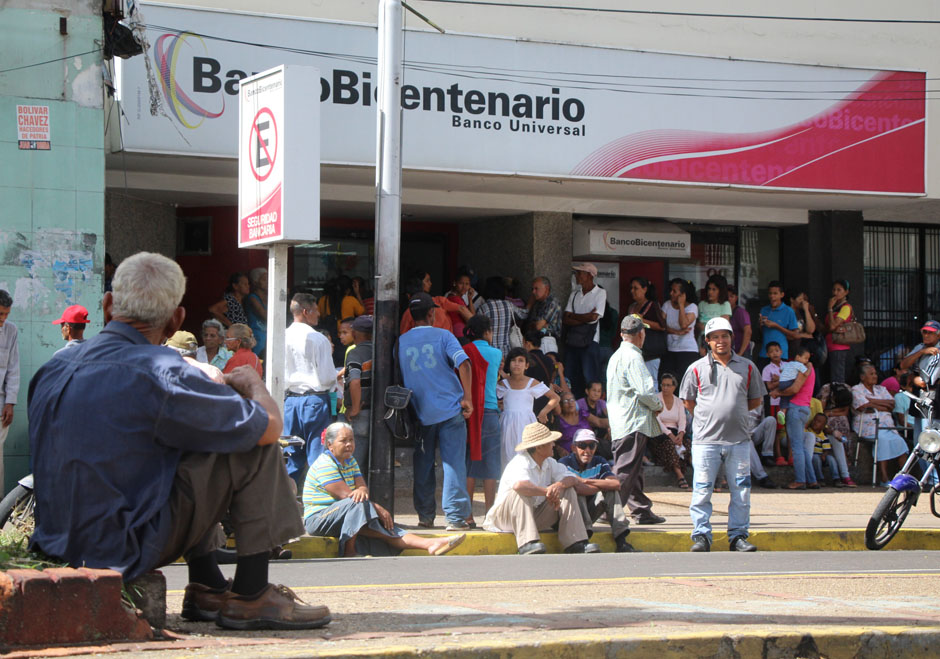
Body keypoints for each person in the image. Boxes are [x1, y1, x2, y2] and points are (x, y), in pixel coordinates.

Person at [27, 252, 330, 630]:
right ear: (176, 320)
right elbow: (268, 426)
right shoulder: (165, 372)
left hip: (57, 539)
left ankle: (208, 585)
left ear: (107, 306)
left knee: (196, 438)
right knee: (253, 440)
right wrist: (252, 384)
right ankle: (253, 594)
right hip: (125, 544)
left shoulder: (53, 367)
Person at [303, 423, 465, 557]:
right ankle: (349, 551)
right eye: (343, 441)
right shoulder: (325, 464)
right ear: (330, 445)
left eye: (351, 440)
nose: (349, 445)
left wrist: (364, 493)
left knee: (384, 526)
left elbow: (362, 488)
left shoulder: (350, 460)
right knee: (357, 504)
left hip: (347, 513)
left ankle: (430, 544)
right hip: (319, 518)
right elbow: (347, 496)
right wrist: (378, 508)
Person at [680, 317, 765, 553]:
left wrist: (731, 413)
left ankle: (738, 536)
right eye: (715, 337)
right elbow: (688, 401)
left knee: (741, 490)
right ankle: (701, 536)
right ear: (707, 341)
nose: (720, 341)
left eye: (724, 336)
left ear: (732, 338)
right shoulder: (695, 368)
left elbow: (756, 400)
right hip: (706, 441)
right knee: (702, 489)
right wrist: (712, 416)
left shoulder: (748, 367)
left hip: (738, 441)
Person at [398, 293, 474, 531]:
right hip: (450, 409)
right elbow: (464, 363)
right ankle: (454, 518)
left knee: (423, 464)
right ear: (432, 313)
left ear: (411, 317)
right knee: (453, 463)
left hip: (420, 412)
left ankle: (425, 516)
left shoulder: (400, 342)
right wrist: (468, 398)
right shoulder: (444, 335)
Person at [482, 422, 599, 555]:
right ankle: (527, 543)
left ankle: (576, 542)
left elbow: (572, 479)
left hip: (533, 516)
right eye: (550, 442)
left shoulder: (549, 463)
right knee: (521, 492)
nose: (554, 445)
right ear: (539, 447)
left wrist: (558, 486)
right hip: (505, 519)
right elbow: (520, 485)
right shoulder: (520, 462)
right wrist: (548, 492)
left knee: (568, 489)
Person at [606, 314, 666, 525]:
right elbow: (645, 391)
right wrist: (658, 406)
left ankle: (641, 510)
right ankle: (607, 511)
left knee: (633, 468)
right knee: (625, 470)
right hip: (632, 421)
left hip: (621, 420)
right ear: (641, 334)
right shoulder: (633, 357)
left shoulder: (617, 356)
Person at [284, 293, 337, 486]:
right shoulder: (317, 339)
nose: (318, 315)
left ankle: (286, 500)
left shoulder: (281, 336)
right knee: (317, 454)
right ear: (306, 312)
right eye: (316, 311)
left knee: (290, 454)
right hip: (315, 400)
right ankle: (316, 502)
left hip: (290, 401)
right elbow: (327, 377)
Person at [559, 429, 635, 552]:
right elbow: (578, 489)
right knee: (576, 493)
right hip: (571, 517)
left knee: (611, 492)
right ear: (573, 448)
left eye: (592, 446)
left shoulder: (599, 461)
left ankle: (621, 541)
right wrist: (601, 485)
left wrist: (584, 481)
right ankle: (584, 540)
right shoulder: (564, 462)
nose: (587, 450)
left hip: (591, 510)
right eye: (582, 446)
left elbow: (615, 484)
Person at [462, 314, 503, 523]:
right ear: (488, 332)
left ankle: (468, 515)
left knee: (469, 465)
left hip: (468, 413)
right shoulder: (496, 353)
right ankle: (489, 513)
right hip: (490, 412)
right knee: (491, 467)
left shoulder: (464, 351)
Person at [497, 346, 559, 469]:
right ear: (508, 364)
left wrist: (544, 412)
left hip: (526, 424)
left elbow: (555, 397)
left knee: (527, 454)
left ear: (526, 365)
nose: (517, 364)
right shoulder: (503, 384)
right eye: (513, 360)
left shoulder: (532, 383)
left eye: (521, 361)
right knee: (506, 454)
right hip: (507, 424)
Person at [852, 363, 910, 487]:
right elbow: (863, 406)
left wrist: (871, 401)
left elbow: (891, 404)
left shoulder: (881, 389)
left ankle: (903, 476)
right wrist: (878, 405)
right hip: (868, 425)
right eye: (871, 374)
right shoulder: (856, 389)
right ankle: (884, 477)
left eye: (875, 374)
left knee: (900, 442)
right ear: (862, 377)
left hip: (887, 425)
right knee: (882, 439)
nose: (875, 376)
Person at [775, 346, 817, 489]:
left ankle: (800, 480)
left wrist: (777, 393)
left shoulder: (802, 369)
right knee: (802, 447)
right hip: (805, 408)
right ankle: (812, 479)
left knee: (796, 446)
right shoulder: (810, 369)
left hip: (796, 407)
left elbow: (794, 389)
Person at [563, 263, 606, 396]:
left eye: (580, 273)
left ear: (589, 275)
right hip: (574, 341)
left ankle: (593, 407)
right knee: (571, 375)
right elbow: (565, 318)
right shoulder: (574, 294)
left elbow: (594, 317)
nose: (577, 276)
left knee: (590, 376)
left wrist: (574, 317)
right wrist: (585, 318)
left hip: (590, 341)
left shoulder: (600, 293)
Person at [650, 372, 692, 489]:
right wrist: (671, 436)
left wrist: (681, 433)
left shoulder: (678, 401)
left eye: (668, 385)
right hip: (659, 433)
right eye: (663, 385)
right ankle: (679, 474)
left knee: (687, 442)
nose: (665, 388)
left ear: (674, 387)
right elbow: (657, 420)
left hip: (675, 431)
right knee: (669, 444)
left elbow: (682, 420)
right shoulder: (656, 399)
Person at [343, 315, 374, 470]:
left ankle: (356, 493)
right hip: (380, 414)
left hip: (362, 412)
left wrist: (355, 408)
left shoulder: (355, 354)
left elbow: (355, 381)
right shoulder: (381, 352)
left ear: (354, 334)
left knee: (356, 464)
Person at [626, 276, 668, 385]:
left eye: (636, 288)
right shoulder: (632, 307)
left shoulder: (652, 305)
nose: (632, 291)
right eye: (631, 288)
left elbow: (662, 326)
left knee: (650, 383)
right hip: (635, 352)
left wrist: (642, 321)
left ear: (644, 289)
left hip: (651, 352)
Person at [478, 276, 528, 357]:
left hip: (489, 352)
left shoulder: (484, 308)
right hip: (505, 352)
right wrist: (531, 302)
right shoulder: (508, 305)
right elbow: (524, 315)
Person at [662, 278, 699, 385]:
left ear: (683, 294)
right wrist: (675, 332)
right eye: (671, 290)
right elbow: (661, 325)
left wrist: (681, 305)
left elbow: (683, 324)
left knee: (685, 383)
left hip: (687, 350)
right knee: (669, 382)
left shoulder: (692, 307)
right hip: (670, 349)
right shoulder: (667, 305)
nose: (671, 293)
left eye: (674, 291)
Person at [0, 289, 18, 494]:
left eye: (6, 314)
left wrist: (10, 402)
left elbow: (14, 368)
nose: (4, 319)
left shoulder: (11, 331)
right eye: (0, 314)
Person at [757, 280, 799, 368]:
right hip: (764, 353)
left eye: (775, 293)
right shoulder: (764, 310)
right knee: (762, 380)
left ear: (782, 295)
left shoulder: (789, 311)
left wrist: (776, 326)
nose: (772, 296)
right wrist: (760, 324)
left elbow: (795, 335)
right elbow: (762, 332)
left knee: (779, 380)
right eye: (770, 293)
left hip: (780, 354)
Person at [824, 279, 854, 384]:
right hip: (830, 346)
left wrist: (829, 308)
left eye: (839, 290)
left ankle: (839, 398)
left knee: (837, 378)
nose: (835, 293)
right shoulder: (836, 307)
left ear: (846, 292)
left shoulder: (845, 308)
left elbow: (832, 326)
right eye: (834, 290)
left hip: (838, 346)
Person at [577, 381, 611, 458]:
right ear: (587, 391)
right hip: (586, 437)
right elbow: (599, 422)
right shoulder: (580, 404)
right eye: (594, 390)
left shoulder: (601, 403)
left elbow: (610, 417)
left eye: (599, 391)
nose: (596, 393)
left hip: (601, 437)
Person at [806, 413, 839, 486]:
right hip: (813, 455)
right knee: (816, 458)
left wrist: (824, 455)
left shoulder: (823, 436)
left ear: (823, 426)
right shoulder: (808, 432)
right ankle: (820, 478)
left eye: (819, 422)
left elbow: (827, 449)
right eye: (815, 420)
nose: (815, 422)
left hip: (822, 455)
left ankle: (836, 478)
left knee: (831, 459)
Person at [554, 393, 591, 457]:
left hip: (589, 452)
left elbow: (599, 422)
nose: (570, 403)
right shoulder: (558, 420)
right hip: (568, 456)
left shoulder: (582, 413)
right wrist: (559, 449)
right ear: (561, 405)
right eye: (566, 401)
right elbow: (553, 439)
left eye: (572, 400)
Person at [445, 268, 476, 339]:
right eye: (461, 283)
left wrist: (470, 299)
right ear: (454, 283)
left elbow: (472, 316)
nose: (464, 287)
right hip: (460, 336)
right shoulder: (454, 299)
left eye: (467, 284)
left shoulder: (458, 298)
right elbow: (472, 320)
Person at [244, 267, 267, 358]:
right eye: (264, 279)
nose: (268, 282)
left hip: (267, 334)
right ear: (255, 282)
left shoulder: (268, 297)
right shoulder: (253, 298)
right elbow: (265, 315)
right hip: (257, 335)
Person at [727, 284, 752, 359]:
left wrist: (740, 353)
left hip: (741, 353)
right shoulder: (723, 312)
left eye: (732, 296)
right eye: (727, 296)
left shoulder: (740, 312)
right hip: (729, 353)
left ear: (736, 298)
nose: (729, 299)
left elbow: (748, 331)